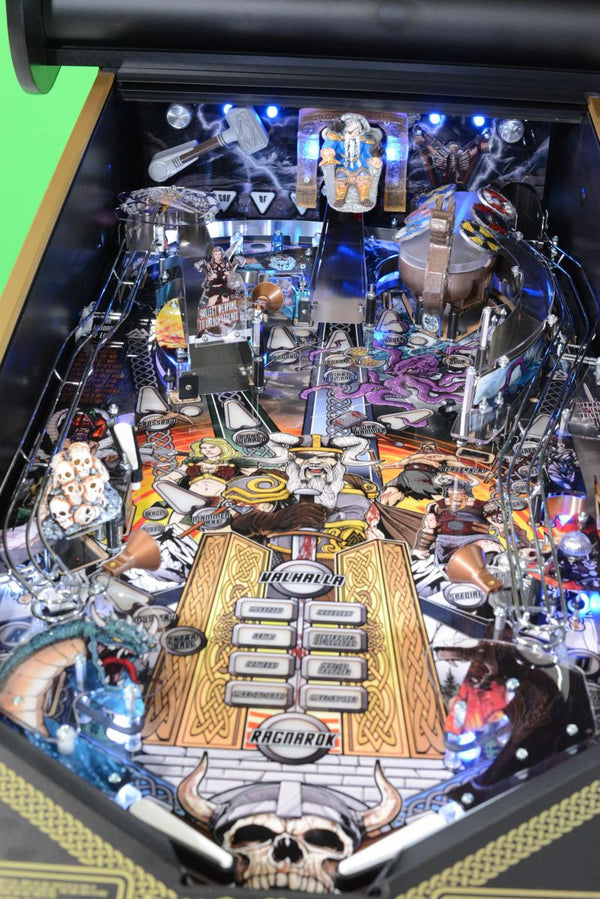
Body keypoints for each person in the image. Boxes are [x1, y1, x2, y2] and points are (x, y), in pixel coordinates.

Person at [320, 113, 383, 209]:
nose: (352, 134)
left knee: (364, 176)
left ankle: (364, 198)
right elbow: (328, 146)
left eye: (355, 131)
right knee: (340, 177)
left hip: (360, 166)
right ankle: (340, 198)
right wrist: (327, 152)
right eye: (349, 131)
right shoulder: (337, 139)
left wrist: (375, 157)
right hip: (343, 166)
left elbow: (369, 151)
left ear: (360, 131)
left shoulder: (364, 140)